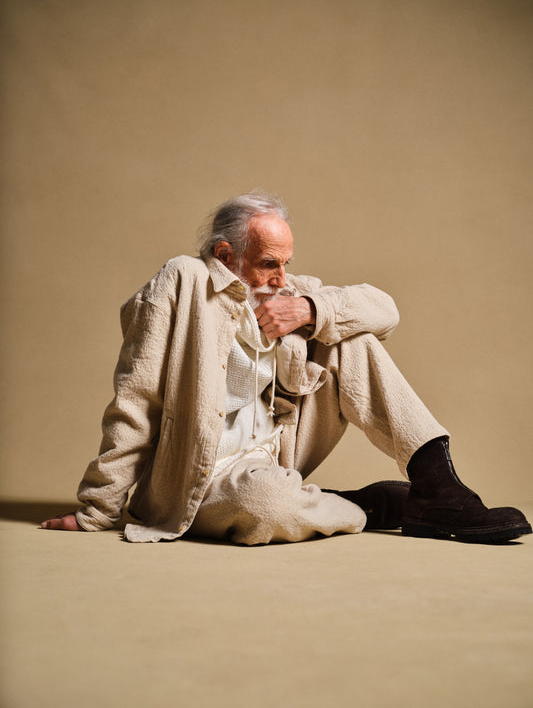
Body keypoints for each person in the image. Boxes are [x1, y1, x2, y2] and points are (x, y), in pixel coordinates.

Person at [42, 192, 531, 544]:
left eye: (287, 264)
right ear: (226, 255)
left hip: (276, 453)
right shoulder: (182, 283)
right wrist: (98, 510)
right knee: (266, 507)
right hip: (198, 476)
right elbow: (135, 399)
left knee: (350, 337)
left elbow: (385, 310)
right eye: (268, 264)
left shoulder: (286, 292)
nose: (281, 278)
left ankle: (439, 489)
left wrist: (311, 309)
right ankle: (363, 504)